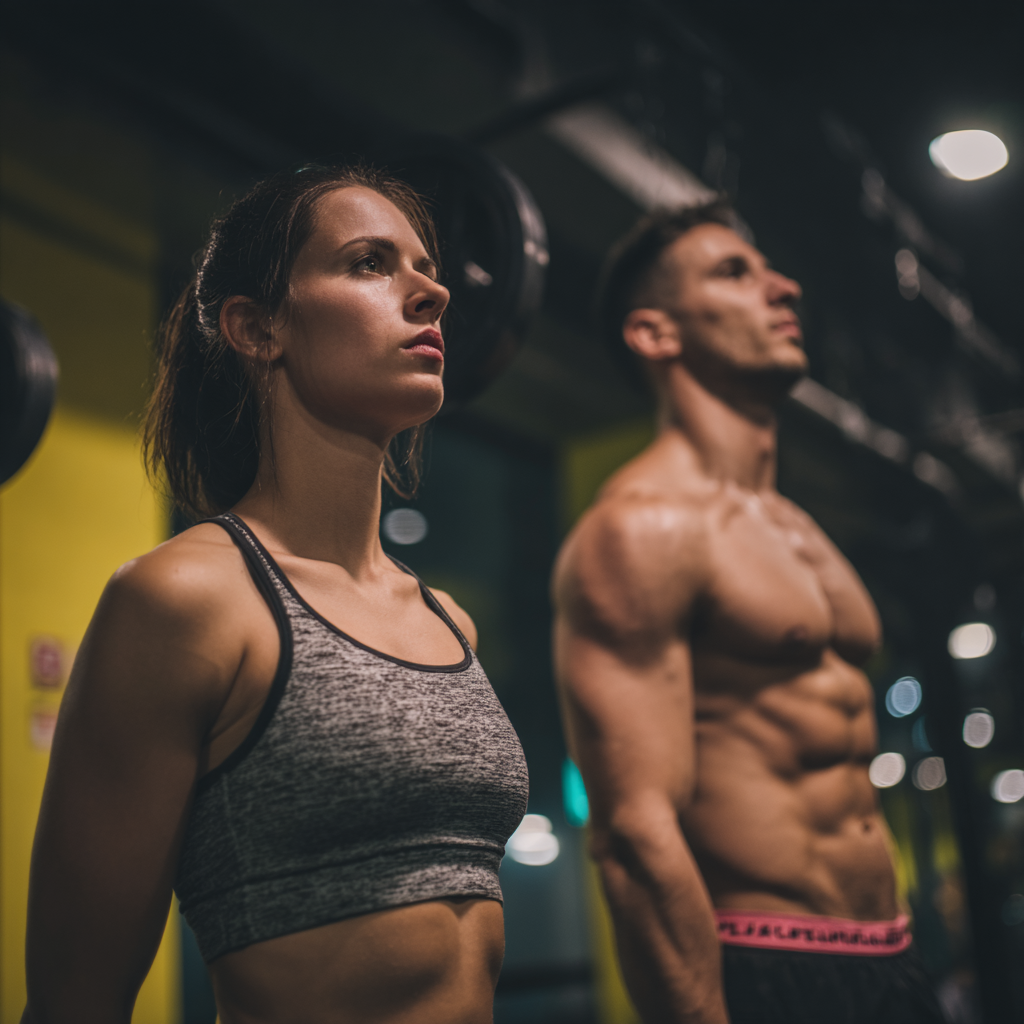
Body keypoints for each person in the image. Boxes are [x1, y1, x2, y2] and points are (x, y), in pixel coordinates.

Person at [23, 165, 529, 1024]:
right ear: (257, 329)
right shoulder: (187, 599)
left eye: (426, 267)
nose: (433, 292)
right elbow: (76, 998)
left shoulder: (448, 621)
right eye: (370, 263)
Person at [552, 203, 944, 1024]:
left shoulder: (796, 527)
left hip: (894, 954)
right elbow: (631, 834)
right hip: (764, 964)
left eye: (768, 269)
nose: (784, 287)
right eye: (733, 273)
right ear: (655, 333)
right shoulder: (641, 528)